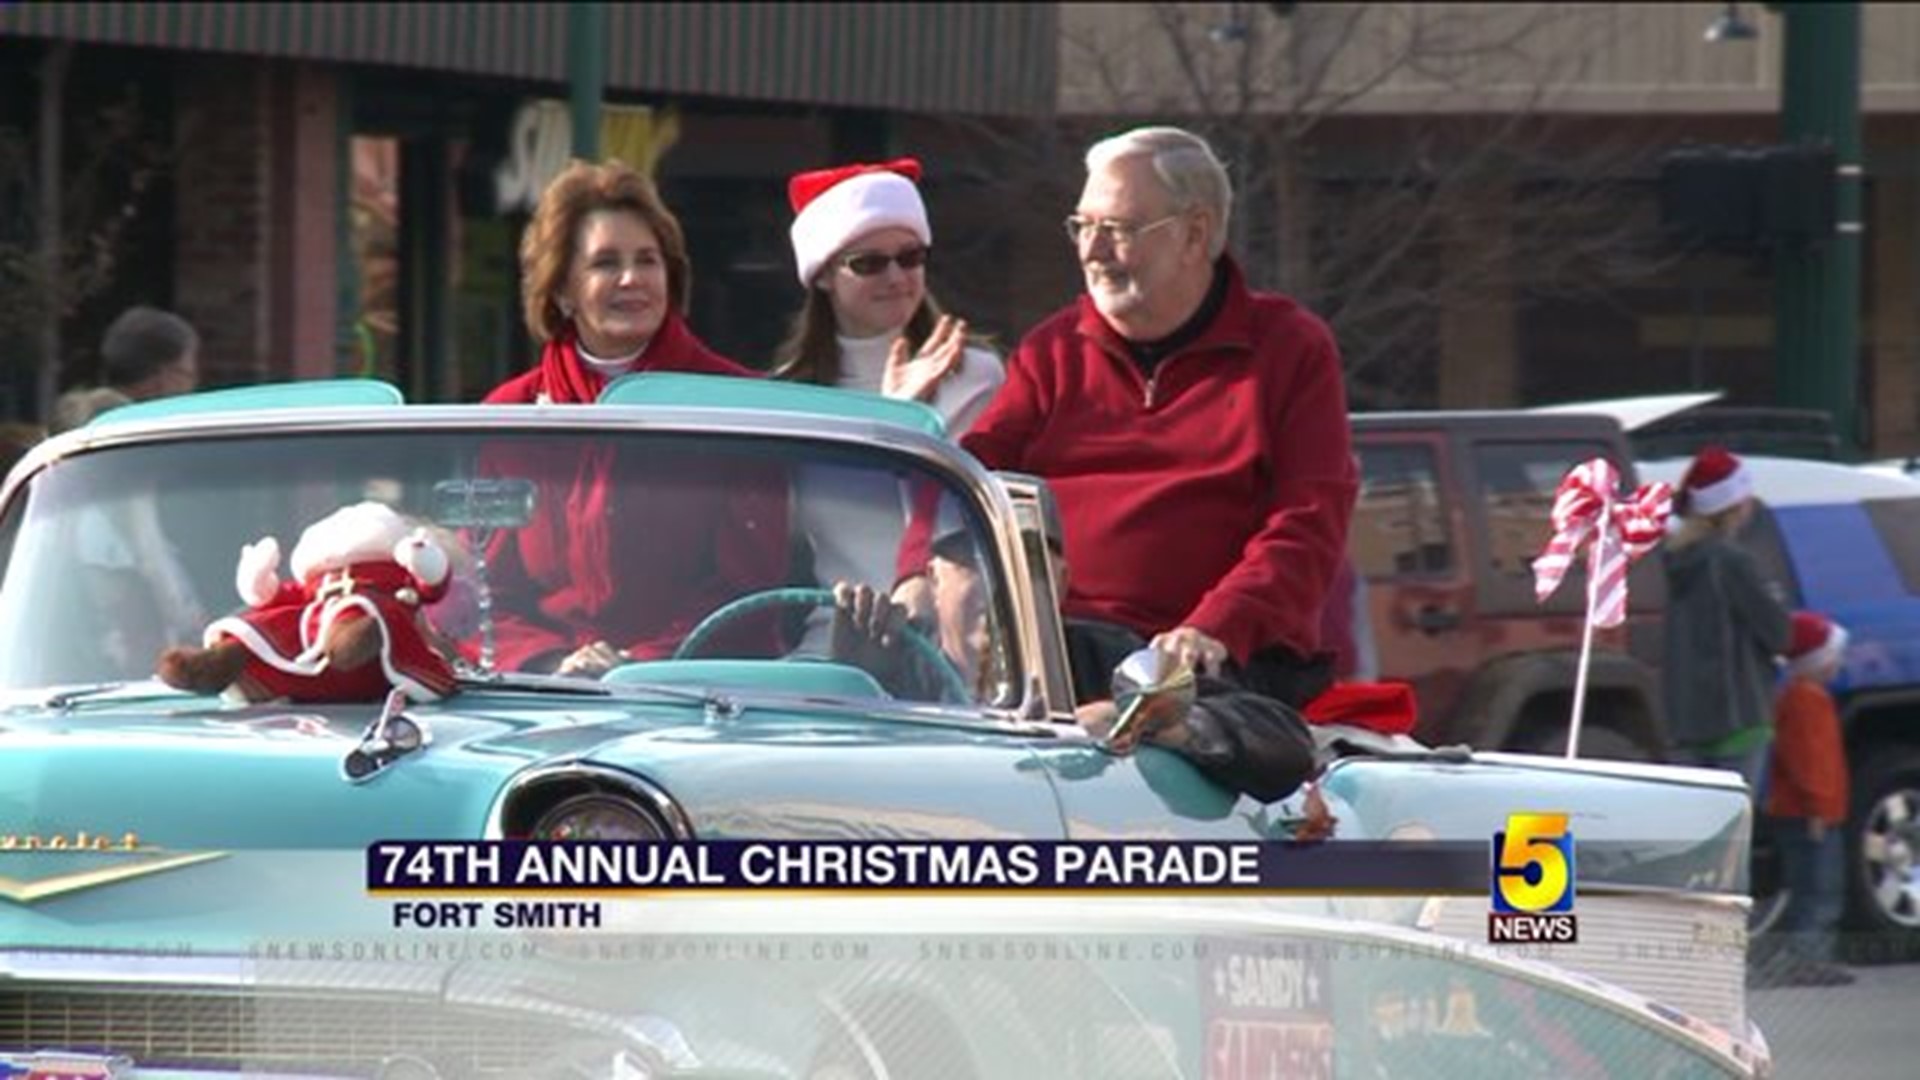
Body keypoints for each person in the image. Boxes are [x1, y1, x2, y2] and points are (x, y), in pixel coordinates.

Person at [956, 126, 1357, 709]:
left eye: (1116, 230)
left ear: (1194, 235)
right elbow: (970, 476)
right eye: (1082, 227)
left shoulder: (1290, 348)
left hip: (1214, 668)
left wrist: (1215, 627)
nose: (1092, 252)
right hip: (1059, 654)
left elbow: (1307, 527)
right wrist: (930, 570)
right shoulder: (1053, 350)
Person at [478, 159, 787, 675]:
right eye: (604, 263)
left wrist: (636, 665)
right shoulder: (509, 416)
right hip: (547, 693)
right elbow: (486, 592)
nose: (632, 278)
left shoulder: (738, 405)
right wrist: (555, 662)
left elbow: (749, 588)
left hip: (702, 693)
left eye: (648, 260)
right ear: (560, 290)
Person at [831, 504, 1317, 803]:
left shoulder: (1104, 658)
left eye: (1024, 563)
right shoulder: (888, 664)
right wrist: (850, 684)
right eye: (972, 562)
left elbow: (1284, 744)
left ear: (1061, 583)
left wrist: (1147, 720)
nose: (999, 586)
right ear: (933, 579)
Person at [774, 157, 1005, 647]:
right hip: (832, 645)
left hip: (953, 649)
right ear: (822, 276)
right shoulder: (787, 399)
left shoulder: (978, 376)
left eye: (911, 256)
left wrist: (903, 421)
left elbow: (965, 533)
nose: (897, 276)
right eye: (869, 263)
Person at [1661, 446, 1793, 790]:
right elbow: (1780, 634)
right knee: (1732, 831)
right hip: (1738, 715)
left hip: (1684, 720)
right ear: (1733, 506)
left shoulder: (1670, 561)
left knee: (1693, 831)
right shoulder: (1731, 560)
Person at [1756, 611, 1855, 987]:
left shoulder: (1803, 697)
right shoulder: (1805, 701)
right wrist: (1816, 807)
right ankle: (1808, 959)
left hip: (1808, 811)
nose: (1838, 664)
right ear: (1817, 661)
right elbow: (1809, 761)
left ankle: (1803, 956)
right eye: (1834, 656)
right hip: (1810, 815)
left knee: (1809, 887)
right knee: (1819, 889)